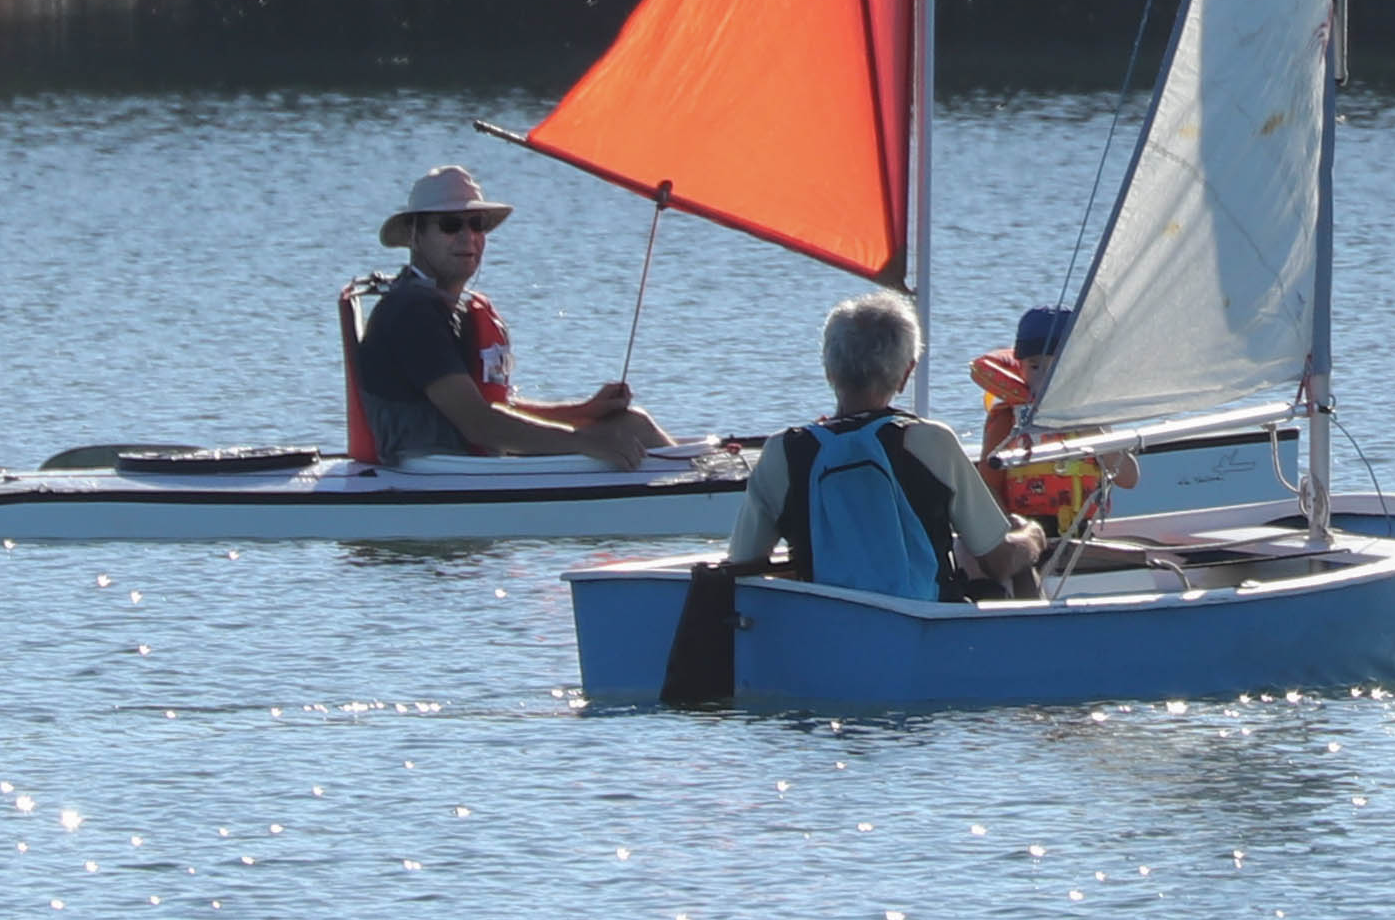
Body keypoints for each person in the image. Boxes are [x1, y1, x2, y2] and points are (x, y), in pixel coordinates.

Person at [343, 165, 667, 466]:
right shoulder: (412, 313)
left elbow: (491, 406)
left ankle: (697, 478)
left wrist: (582, 412)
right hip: (436, 472)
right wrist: (584, 441)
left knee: (630, 422)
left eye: (477, 224)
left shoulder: (450, 307)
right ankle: (698, 491)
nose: (467, 236)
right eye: (450, 225)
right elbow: (478, 424)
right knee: (625, 433)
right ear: (415, 235)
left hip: (469, 466)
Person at [729, 291, 1034, 599]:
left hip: (826, 632)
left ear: (828, 370)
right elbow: (999, 561)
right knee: (1017, 565)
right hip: (926, 628)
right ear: (906, 374)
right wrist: (1032, 539)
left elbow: (743, 564)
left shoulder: (782, 452)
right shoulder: (931, 442)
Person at [965, 305, 1139, 534]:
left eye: (1057, 367)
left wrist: (1087, 429)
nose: (1045, 377)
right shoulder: (1008, 419)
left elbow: (1129, 478)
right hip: (1027, 532)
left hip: (1082, 534)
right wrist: (1009, 533)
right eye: (1035, 366)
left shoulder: (1089, 417)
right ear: (1020, 367)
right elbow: (988, 486)